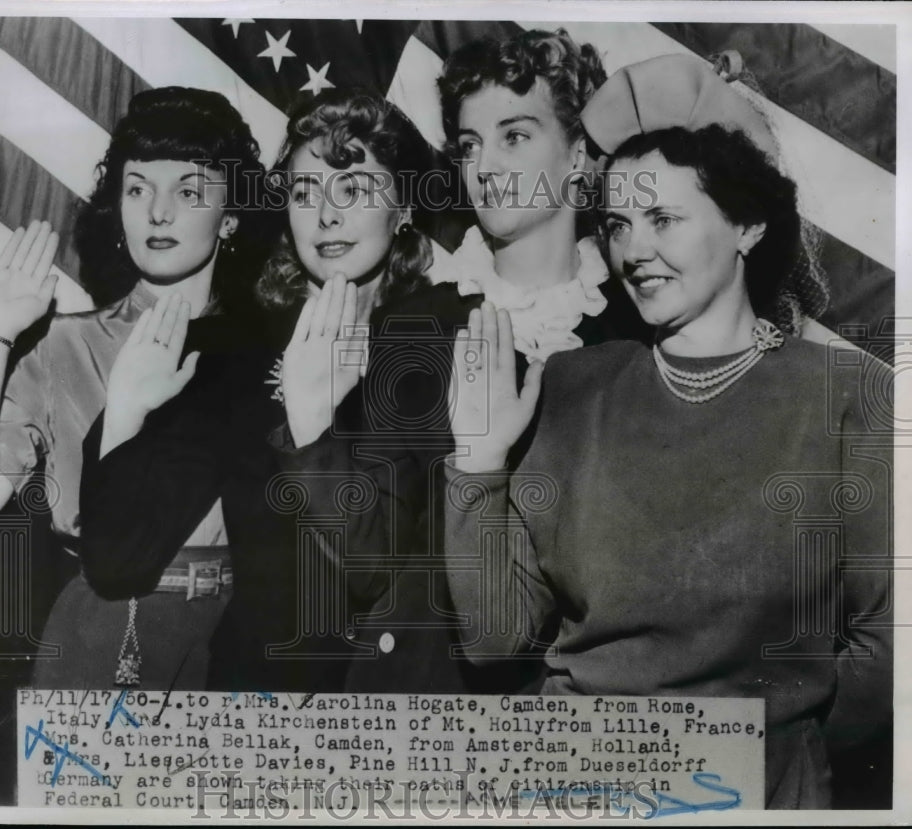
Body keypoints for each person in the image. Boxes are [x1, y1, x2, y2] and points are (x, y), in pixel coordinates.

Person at [443, 54, 892, 808]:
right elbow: (494, 639)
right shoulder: (571, 383)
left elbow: (885, 648)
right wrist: (479, 462)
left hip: (754, 791)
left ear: (747, 224)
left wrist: (786, 750)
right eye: (617, 223)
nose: (633, 250)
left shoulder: (849, 397)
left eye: (664, 219)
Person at [274, 29, 631, 695]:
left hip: (602, 713)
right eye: (470, 146)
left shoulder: (633, 331)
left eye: (515, 136)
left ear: (579, 155)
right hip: (432, 699)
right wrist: (313, 424)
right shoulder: (414, 325)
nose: (487, 165)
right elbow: (374, 564)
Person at [78, 88, 433, 691]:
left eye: (353, 190)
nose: (325, 216)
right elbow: (116, 561)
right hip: (261, 699)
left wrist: (312, 420)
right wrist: (126, 412)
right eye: (303, 193)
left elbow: (376, 575)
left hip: (401, 703)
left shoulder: (442, 343)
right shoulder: (233, 348)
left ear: (402, 210)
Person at [0, 86, 270, 689]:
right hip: (108, 637)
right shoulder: (64, 346)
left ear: (233, 215)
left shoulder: (270, 351)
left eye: (189, 190)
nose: (158, 212)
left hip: (242, 642)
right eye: (138, 188)